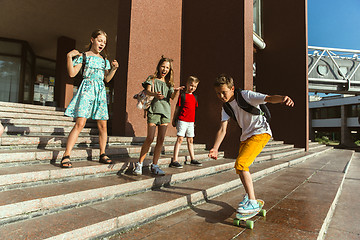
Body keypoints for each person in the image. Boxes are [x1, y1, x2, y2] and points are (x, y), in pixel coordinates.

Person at [208, 74, 294, 213]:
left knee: (241, 164)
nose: (221, 96)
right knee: (241, 167)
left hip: (260, 132)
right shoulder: (225, 108)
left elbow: (268, 98)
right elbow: (222, 129)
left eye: (224, 92)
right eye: (218, 94)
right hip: (246, 136)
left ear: (232, 88)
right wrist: (215, 148)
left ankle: (252, 202)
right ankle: (249, 196)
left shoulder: (245, 95)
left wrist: (282, 98)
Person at [61, 29, 119, 168]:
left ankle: (102, 153)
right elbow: (72, 73)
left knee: (103, 125)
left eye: (104, 42)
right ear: (92, 40)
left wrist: (114, 69)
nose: (102, 44)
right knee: (80, 123)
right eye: (100, 40)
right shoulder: (83, 56)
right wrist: (69, 57)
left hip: (100, 92)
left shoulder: (105, 60)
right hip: (87, 90)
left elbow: (106, 79)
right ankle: (66, 155)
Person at [133, 56, 184, 176]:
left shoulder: (169, 83)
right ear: (159, 67)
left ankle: (155, 165)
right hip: (154, 110)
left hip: (165, 112)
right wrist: (155, 94)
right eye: (163, 66)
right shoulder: (152, 79)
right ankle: (139, 164)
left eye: (167, 68)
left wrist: (176, 91)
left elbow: (171, 97)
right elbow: (147, 91)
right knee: (150, 138)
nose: (165, 69)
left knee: (161, 139)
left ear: (169, 70)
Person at [170, 76, 202, 168]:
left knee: (190, 140)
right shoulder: (182, 95)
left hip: (190, 122)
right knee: (180, 139)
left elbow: (193, 110)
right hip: (182, 120)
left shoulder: (195, 97)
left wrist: (193, 122)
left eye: (195, 86)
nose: (193, 88)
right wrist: (174, 119)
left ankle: (192, 159)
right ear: (187, 84)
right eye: (191, 85)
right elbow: (177, 108)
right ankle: (174, 160)